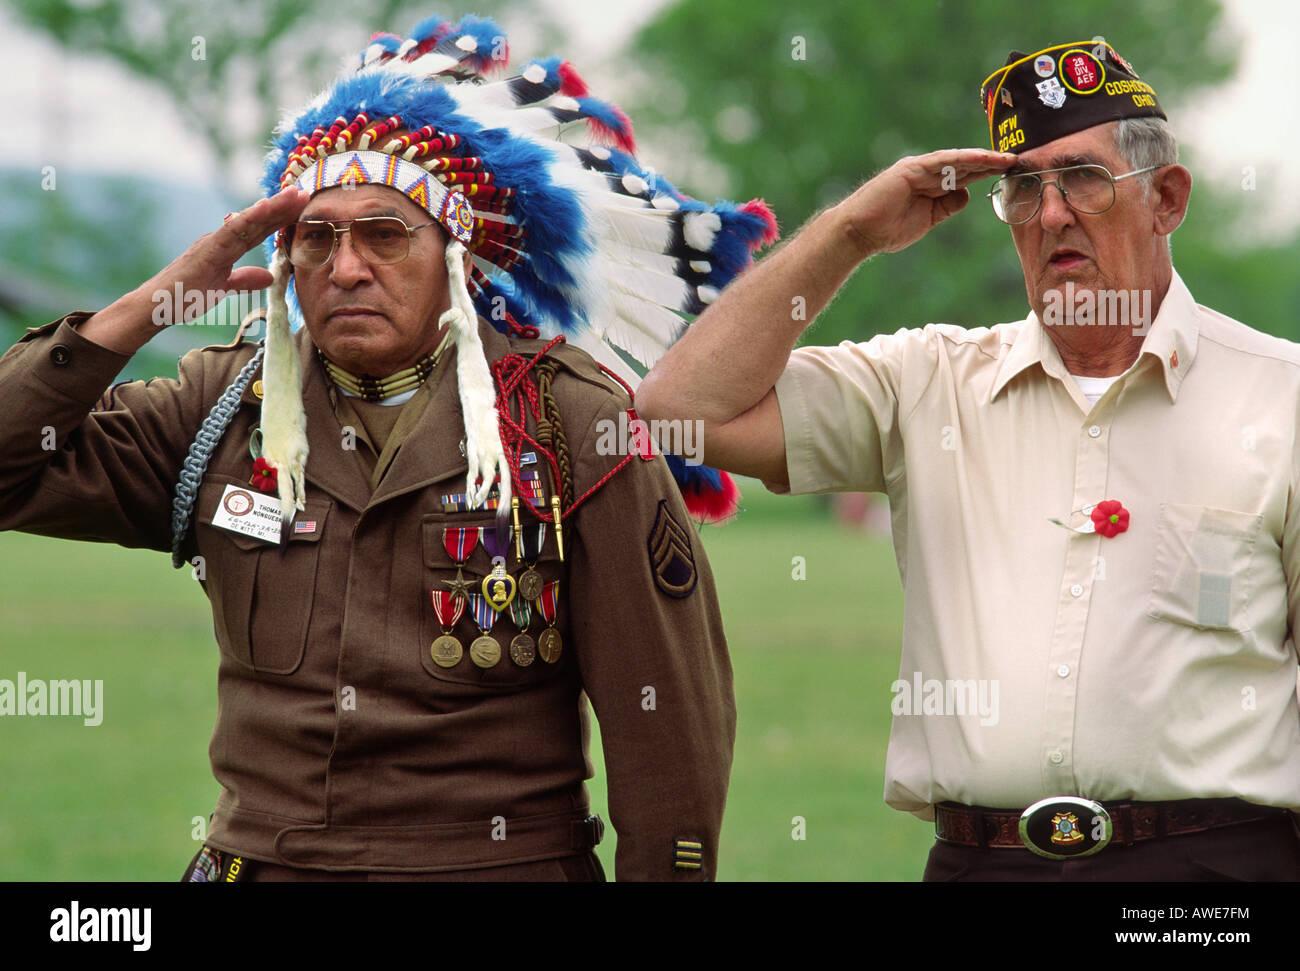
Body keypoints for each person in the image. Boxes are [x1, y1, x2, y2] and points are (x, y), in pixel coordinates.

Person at [0, 14, 778, 881]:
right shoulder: (222, 407)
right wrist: (141, 309)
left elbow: (669, 736)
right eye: (316, 238)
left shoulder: (571, 424)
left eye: (384, 233)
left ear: (456, 256)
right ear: (286, 259)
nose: (346, 267)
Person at [638, 38, 1300, 880]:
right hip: (984, 863)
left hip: (1206, 878)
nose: (1052, 212)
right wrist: (851, 231)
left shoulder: (1280, 397)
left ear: (1166, 199)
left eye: (1085, 178)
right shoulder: (930, 381)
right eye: (1024, 188)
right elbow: (675, 409)